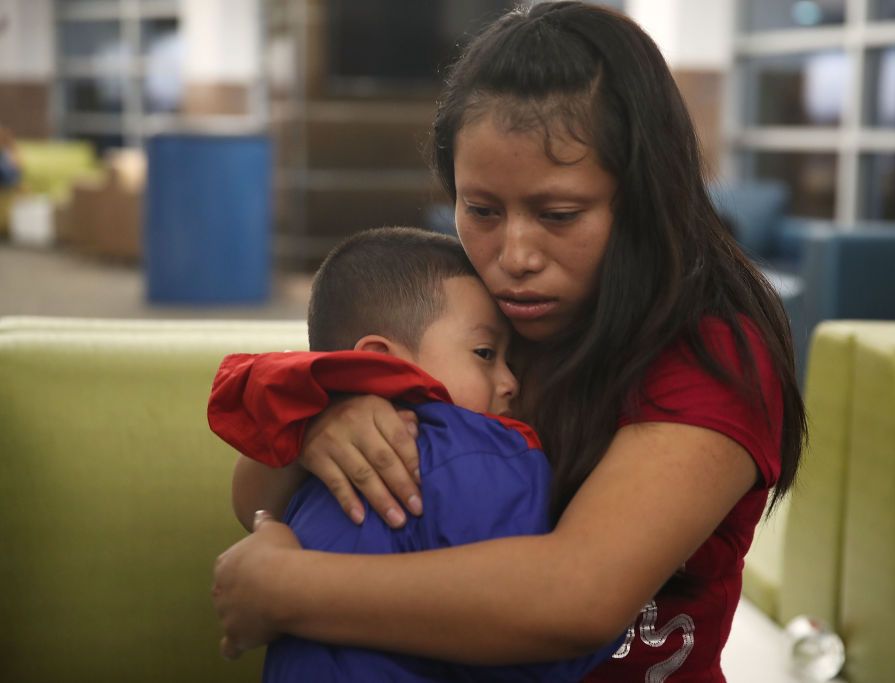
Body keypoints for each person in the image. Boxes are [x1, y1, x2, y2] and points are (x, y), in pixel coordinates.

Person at [211, 3, 806, 681]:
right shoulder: (475, 316)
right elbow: (254, 499)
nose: (514, 255)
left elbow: (578, 596)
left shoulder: (713, 354)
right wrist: (325, 425)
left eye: (558, 214)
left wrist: (289, 590)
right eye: (482, 210)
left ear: (642, 198)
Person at [209, 227, 623, 681]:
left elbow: (255, 503)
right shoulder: (485, 453)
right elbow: (542, 644)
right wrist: (617, 611)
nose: (510, 383)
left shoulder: (315, 446)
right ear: (382, 359)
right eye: (485, 353)